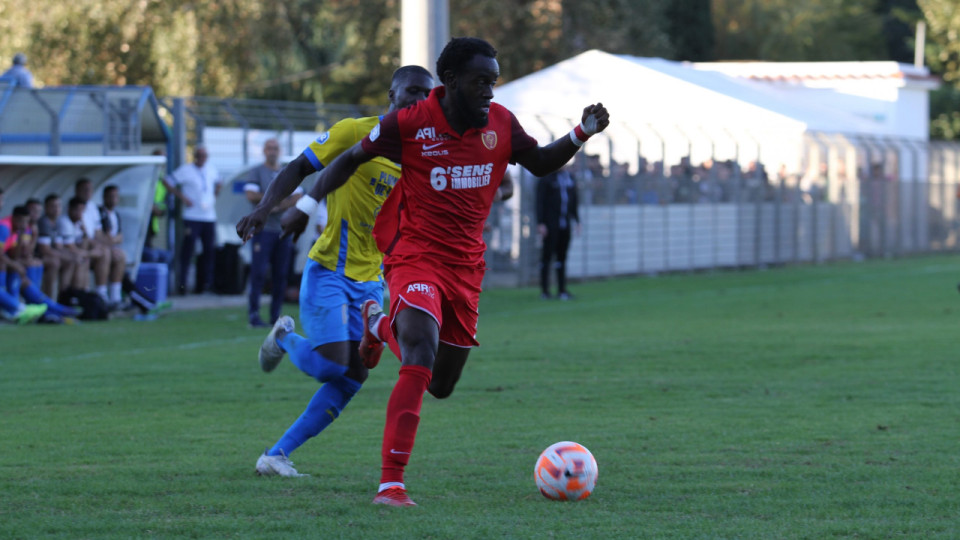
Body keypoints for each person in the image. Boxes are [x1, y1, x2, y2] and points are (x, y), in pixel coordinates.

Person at [239, 37, 609, 506]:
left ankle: (375, 327)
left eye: (493, 83)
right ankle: (389, 483)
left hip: (458, 269)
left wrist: (580, 133)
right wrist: (303, 206)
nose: (490, 93)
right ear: (449, 84)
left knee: (439, 383)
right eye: (481, 83)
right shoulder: (398, 127)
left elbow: (535, 163)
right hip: (396, 259)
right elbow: (336, 162)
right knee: (389, 355)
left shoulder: (498, 123)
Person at [236, 65, 434, 478]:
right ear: (391, 96)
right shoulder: (353, 132)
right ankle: (285, 338)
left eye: (425, 94)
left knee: (354, 375)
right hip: (328, 269)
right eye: (410, 91)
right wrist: (265, 208)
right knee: (331, 365)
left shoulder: (426, 153)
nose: (418, 100)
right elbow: (297, 167)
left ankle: (275, 455)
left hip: (372, 280)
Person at [244, 138, 301, 327]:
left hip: (282, 231)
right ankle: (253, 315)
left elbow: (299, 194)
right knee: (258, 273)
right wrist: (273, 203)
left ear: (280, 150)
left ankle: (275, 316)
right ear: (264, 150)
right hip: (263, 230)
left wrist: (277, 203)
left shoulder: (286, 171)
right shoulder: (257, 171)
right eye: (269, 148)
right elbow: (251, 195)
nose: (272, 151)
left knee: (280, 275)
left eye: (275, 148)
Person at [163, 146, 222, 295]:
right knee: (188, 251)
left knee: (209, 251)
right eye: (199, 156)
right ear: (195, 156)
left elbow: (219, 182)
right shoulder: (186, 170)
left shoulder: (211, 169)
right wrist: (183, 198)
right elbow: (167, 181)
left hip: (209, 216)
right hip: (192, 216)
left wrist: (214, 196)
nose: (202, 159)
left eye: (204, 156)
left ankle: (204, 284)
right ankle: (182, 284)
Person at [536, 166, 579, 300]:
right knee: (547, 257)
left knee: (562, 257)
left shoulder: (570, 178)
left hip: (564, 225)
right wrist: (541, 222)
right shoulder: (546, 178)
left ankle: (562, 290)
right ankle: (545, 291)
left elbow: (574, 201)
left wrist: (577, 220)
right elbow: (540, 202)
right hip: (550, 225)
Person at [74, 178, 117, 304]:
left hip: (91, 245)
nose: (88, 192)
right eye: (85, 189)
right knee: (88, 256)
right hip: (80, 246)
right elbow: (83, 236)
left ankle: (110, 296)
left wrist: (107, 245)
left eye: (90, 190)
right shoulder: (73, 207)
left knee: (116, 254)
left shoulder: (93, 207)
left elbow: (98, 233)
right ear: (77, 190)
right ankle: (82, 297)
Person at [36, 194, 79, 297]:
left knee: (72, 260)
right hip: (38, 256)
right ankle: (49, 300)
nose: (56, 209)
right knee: (54, 262)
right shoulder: (44, 222)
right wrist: (64, 255)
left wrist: (71, 255)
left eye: (58, 206)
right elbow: (44, 249)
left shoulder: (56, 223)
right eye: (53, 206)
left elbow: (59, 246)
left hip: (49, 255)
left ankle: (64, 297)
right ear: (46, 208)